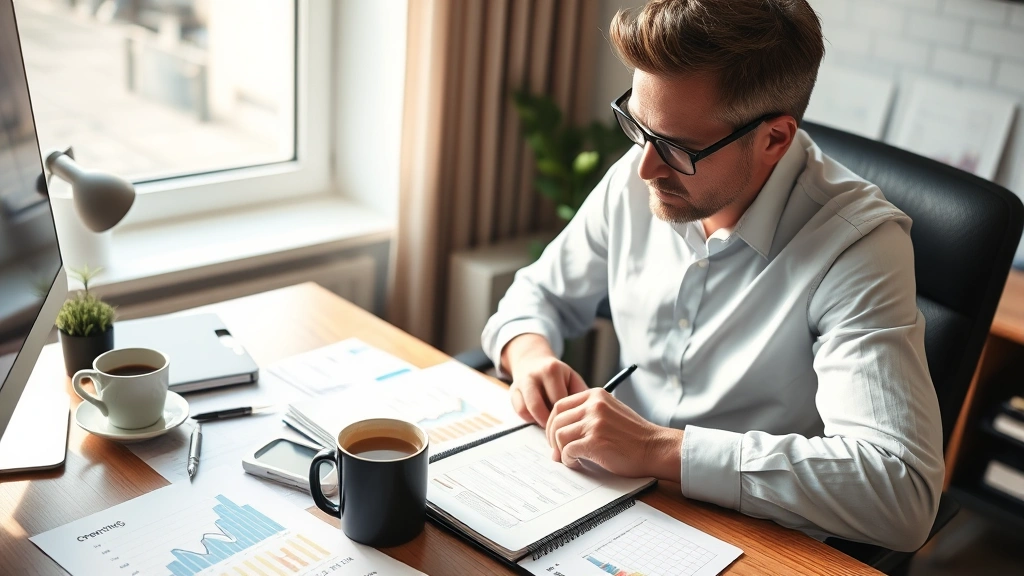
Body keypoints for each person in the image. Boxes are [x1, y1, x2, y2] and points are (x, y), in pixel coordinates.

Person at [482, 0, 944, 552]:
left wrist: (659, 448)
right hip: (609, 493)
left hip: (750, 537)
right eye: (638, 124)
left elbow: (902, 492)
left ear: (774, 138)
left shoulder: (857, 247)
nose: (646, 165)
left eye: (680, 147)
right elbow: (537, 293)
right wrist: (530, 357)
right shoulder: (642, 170)